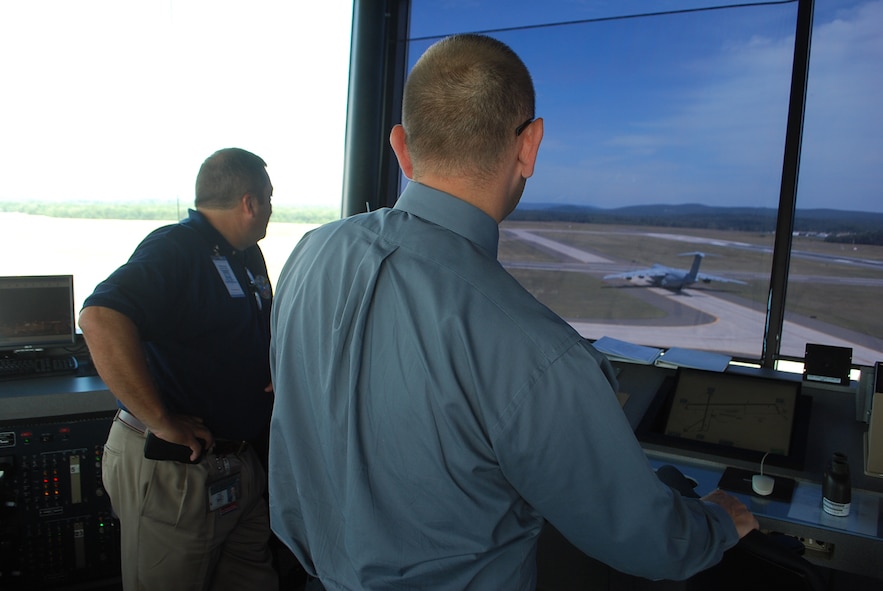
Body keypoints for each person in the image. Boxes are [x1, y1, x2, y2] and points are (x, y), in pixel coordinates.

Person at [268, 34, 758, 590]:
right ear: (531, 145)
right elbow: (649, 542)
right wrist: (719, 521)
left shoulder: (309, 254)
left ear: (401, 147)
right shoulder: (538, 351)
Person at [79, 147, 279, 590]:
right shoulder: (175, 248)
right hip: (178, 471)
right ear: (250, 202)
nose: (271, 210)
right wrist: (163, 421)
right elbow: (100, 317)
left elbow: (248, 329)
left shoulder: (246, 258)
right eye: (269, 199)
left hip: (239, 465)